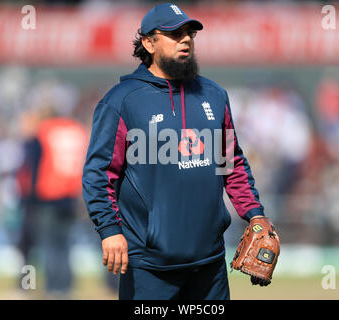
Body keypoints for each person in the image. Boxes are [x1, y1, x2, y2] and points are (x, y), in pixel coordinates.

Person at [82, 3, 265, 300]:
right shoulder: (121, 101)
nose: (186, 39)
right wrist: (109, 230)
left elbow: (231, 164)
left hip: (209, 263)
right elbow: (99, 175)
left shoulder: (214, 95)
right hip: (150, 265)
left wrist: (255, 214)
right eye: (174, 33)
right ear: (148, 42)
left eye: (189, 33)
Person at [17, 107, 89, 299]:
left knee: (40, 245)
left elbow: (31, 166)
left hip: (44, 197)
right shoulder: (77, 130)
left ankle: (40, 287)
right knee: (64, 244)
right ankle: (64, 287)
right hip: (71, 195)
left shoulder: (44, 132)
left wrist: (28, 198)